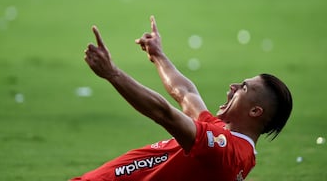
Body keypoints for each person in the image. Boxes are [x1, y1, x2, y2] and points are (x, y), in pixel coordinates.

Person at [70, 16, 293, 181]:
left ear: (255, 111)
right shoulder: (228, 141)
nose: (233, 86)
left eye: (243, 88)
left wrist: (113, 74)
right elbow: (186, 94)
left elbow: (163, 113)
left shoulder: (224, 151)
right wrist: (158, 55)